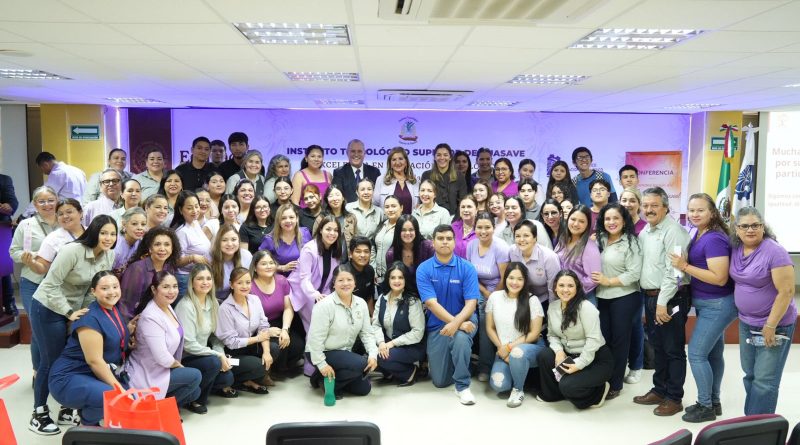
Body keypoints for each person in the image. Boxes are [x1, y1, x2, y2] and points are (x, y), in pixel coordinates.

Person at [29, 216, 117, 434]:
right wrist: (69, 313)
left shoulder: (109, 255)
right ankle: (38, 414)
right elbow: (50, 285)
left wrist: (85, 315)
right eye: (104, 233)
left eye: (113, 234)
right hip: (48, 307)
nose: (109, 238)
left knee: (74, 356)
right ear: (94, 232)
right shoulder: (72, 251)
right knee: (51, 360)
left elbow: (92, 289)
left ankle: (67, 409)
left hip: (75, 310)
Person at [667, 193, 736, 422]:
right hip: (708, 304)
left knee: (696, 354)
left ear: (712, 212)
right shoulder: (699, 232)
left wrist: (684, 266)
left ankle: (705, 406)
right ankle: (714, 402)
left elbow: (719, 278)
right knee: (713, 354)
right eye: (692, 210)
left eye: (700, 210)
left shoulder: (714, 238)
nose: (695, 214)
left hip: (718, 304)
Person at [728, 206, 796, 415]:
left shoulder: (775, 252)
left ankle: (759, 428)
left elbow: (787, 291)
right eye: (744, 226)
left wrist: (771, 325)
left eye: (755, 225)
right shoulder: (737, 248)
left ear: (763, 227)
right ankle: (752, 421)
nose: (750, 230)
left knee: (765, 381)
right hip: (747, 322)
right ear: (737, 229)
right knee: (750, 374)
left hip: (774, 325)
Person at [633, 186, 690, 417]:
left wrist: (662, 303)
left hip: (670, 298)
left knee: (673, 348)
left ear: (666, 207)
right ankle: (659, 390)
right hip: (650, 297)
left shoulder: (674, 232)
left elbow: (676, 273)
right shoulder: (646, 231)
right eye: (645, 205)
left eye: (654, 205)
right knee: (658, 347)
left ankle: (674, 398)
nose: (649, 210)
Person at [48, 271, 131, 427]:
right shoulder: (90, 318)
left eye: (115, 286)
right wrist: (118, 389)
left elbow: (112, 337)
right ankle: (87, 426)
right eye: (105, 288)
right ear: (93, 291)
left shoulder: (112, 309)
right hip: (68, 377)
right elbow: (95, 361)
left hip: (91, 375)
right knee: (114, 396)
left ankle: (91, 419)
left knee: (131, 395)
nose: (112, 292)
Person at [416, 224, 480, 405]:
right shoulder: (424, 269)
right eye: (440, 238)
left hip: (466, 320)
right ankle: (465, 362)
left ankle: (462, 386)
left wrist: (457, 324)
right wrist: (455, 323)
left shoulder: (467, 267)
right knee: (440, 381)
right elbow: (431, 303)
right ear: (433, 242)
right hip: (438, 324)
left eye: (449, 239)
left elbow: (471, 304)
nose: (445, 242)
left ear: (454, 242)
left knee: (460, 339)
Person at [536, 270, 613, 409]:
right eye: (561, 285)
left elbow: (594, 340)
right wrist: (559, 351)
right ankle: (555, 394)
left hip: (595, 358)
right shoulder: (553, 307)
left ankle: (599, 392)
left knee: (568, 386)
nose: (565, 290)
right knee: (545, 355)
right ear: (555, 288)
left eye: (570, 286)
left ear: (577, 288)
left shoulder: (586, 307)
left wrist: (579, 364)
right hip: (570, 355)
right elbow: (552, 335)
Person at [127, 271, 202, 409]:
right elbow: (162, 357)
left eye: (175, 286)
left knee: (195, 392)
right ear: (154, 289)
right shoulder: (150, 316)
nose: (172, 291)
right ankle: (155, 408)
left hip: (164, 368)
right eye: (166, 287)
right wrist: (179, 366)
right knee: (195, 376)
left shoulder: (167, 306)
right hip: (150, 372)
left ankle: (161, 404)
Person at [592, 203, 643, 402]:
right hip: (602, 296)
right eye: (607, 218)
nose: (611, 222)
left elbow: (634, 273)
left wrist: (609, 281)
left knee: (620, 341)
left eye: (616, 218)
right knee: (604, 340)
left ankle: (615, 384)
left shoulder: (631, 242)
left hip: (625, 296)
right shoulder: (599, 239)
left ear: (624, 221)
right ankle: (604, 378)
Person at [306, 264, 378, 399]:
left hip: (344, 352)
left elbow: (367, 333)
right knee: (361, 364)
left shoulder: (361, 303)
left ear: (355, 282)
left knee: (364, 389)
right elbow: (315, 339)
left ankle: (322, 378)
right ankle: (325, 381)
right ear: (334, 284)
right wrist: (321, 364)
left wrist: (373, 354)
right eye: (340, 280)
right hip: (322, 351)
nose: (345, 283)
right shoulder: (324, 305)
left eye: (349, 279)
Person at [175, 264, 236, 412]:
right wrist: (217, 356)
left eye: (208, 278)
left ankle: (199, 385)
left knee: (227, 378)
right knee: (214, 363)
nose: (205, 282)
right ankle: (195, 399)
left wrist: (221, 353)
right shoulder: (186, 306)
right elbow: (188, 345)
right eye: (200, 279)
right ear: (192, 282)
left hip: (203, 355)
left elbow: (216, 337)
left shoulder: (213, 302)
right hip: (185, 358)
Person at [10, 186, 58, 371]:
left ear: (57, 201)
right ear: (35, 204)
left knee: (58, 328)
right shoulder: (26, 225)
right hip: (33, 282)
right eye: (41, 201)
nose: (47, 204)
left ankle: (58, 371)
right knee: (38, 330)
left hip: (60, 283)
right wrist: (29, 257)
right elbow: (13, 252)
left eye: (50, 200)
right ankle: (38, 371)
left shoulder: (65, 221)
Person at [287, 215, 343, 373]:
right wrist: (315, 295)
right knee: (314, 329)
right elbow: (304, 279)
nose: (332, 233)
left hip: (322, 293)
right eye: (328, 229)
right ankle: (310, 368)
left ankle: (324, 363)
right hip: (303, 293)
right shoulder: (309, 249)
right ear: (320, 230)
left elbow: (330, 279)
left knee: (327, 327)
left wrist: (328, 297)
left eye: (335, 230)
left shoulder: (336, 249)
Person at [486, 262, 546, 407]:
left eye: (520, 279)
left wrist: (509, 348)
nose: (514, 282)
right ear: (505, 278)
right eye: (511, 278)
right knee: (499, 385)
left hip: (529, 348)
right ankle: (518, 373)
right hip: (503, 350)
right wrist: (501, 348)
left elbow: (534, 333)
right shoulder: (495, 297)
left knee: (517, 353)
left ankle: (518, 390)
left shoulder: (532, 300)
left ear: (525, 281)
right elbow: (490, 328)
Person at [466, 212, 510, 383]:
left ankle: (485, 366)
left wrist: (489, 296)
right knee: (467, 317)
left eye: (487, 227)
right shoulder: (471, 245)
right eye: (479, 227)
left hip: (497, 291)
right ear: (474, 228)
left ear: (494, 227)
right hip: (477, 289)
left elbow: (504, 278)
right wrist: (483, 293)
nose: (483, 231)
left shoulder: (500, 247)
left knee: (485, 323)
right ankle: (468, 361)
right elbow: (470, 274)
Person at [215, 267, 272, 394]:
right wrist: (258, 338)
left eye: (248, 282)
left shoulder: (255, 300)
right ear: (231, 285)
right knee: (259, 365)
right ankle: (240, 380)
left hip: (250, 346)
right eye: (239, 282)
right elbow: (231, 342)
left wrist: (266, 352)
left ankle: (248, 378)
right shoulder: (225, 308)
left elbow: (263, 326)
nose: (244, 286)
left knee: (273, 349)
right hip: (233, 352)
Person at [249, 251, 304, 374]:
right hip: (257, 326)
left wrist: (285, 329)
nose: (268, 266)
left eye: (271, 263)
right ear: (255, 268)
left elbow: (288, 308)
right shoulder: (250, 286)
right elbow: (248, 318)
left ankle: (283, 368)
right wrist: (267, 331)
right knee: (277, 346)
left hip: (279, 321)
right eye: (264, 264)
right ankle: (269, 371)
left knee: (298, 345)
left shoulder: (281, 280)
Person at [372, 262, 425, 386]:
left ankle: (410, 372)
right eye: (393, 277)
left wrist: (391, 344)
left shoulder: (412, 301)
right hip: (388, 343)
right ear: (388, 279)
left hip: (412, 346)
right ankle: (390, 372)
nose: (396, 281)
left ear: (405, 280)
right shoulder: (382, 298)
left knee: (380, 357)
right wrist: (381, 343)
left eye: (400, 277)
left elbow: (417, 332)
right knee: (370, 352)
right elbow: (376, 324)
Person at [120, 227, 181, 320]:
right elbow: (125, 304)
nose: (162, 249)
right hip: (138, 320)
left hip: (159, 317)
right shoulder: (137, 269)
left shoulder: (169, 268)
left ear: (172, 248)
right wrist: (129, 325)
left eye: (167, 244)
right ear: (150, 248)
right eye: (157, 244)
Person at [509, 220, 561, 313]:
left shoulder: (549, 257)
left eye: (526, 235)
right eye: (517, 236)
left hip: (543, 299)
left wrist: (552, 310)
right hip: (521, 298)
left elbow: (553, 288)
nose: (521, 240)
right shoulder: (512, 251)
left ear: (535, 238)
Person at [555, 205, 601, 306]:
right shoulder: (563, 239)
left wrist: (572, 289)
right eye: (573, 219)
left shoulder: (590, 247)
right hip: (563, 295)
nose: (576, 224)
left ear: (587, 224)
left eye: (581, 221)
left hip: (583, 298)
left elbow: (594, 279)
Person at [28, 198, 85, 277]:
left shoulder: (93, 232)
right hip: (64, 283)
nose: (65, 216)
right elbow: (43, 268)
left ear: (81, 213)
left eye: (69, 212)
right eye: (60, 214)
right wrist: (32, 263)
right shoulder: (53, 238)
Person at [172, 191, 212, 298]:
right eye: (189, 208)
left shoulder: (195, 223)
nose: (195, 211)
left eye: (196, 206)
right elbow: (175, 262)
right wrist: (192, 257)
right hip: (185, 279)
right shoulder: (182, 232)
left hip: (198, 276)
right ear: (180, 210)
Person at [24, 152, 86, 216]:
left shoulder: (57, 174)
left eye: (41, 169)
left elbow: (43, 195)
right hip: (81, 211)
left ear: (45, 165)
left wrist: (25, 214)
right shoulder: (78, 170)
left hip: (67, 213)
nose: (43, 172)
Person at [259, 203, 312, 276]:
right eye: (283, 218)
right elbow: (260, 263)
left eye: (291, 217)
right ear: (278, 220)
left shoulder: (305, 233)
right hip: (281, 279)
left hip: (303, 278)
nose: (288, 221)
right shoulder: (269, 240)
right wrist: (282, 268)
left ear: (297, 218)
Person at [421, 143, 467, 216]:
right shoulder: (426, 175)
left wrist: (456, 219)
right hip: (431, 217)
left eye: (445, 155)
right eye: (439, 155)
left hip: (453, 217)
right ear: (435, 157)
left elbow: (463, 201)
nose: (442, 158)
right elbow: (422, 199)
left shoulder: (459, 176)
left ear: (450, 157)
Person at [211, 224, 253, 300]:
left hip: (240, 299)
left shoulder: (246, 256)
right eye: (224, 240)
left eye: (233, 239)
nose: (230, 244)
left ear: (239, 241)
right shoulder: (209, 258)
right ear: (218, 242)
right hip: (216, 301)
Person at [332, 139, 381, 203]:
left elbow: (378, 197)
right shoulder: (339, 173)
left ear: (364, 153)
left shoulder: (374, 172)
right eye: (353, 151)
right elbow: (337, 197)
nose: (356, 154)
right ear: (347, 153)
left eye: (359, 151)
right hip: (347, 209)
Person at [374, 147, 419, 215]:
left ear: (406, 162)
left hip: (410, 221)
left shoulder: (415, 182)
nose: (397, 162)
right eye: (394, 160)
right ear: (390, 164)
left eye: (400, 159)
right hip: (387, 221)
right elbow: (375, 205)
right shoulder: (380, 180)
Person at [315, 184, 357, 258]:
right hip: (326, 259)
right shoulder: (321, 218)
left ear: (343, 197)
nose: (334, 198)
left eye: (337, 195)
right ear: (327, 200)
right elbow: (315, 241)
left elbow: (355, 239)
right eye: (331, 196)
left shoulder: (351, 218)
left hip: (347, 261)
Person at [372, 196, 402, 288]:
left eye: (393, 206)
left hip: (396, 277)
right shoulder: (382, 225)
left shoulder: (404, 227)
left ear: (401, 208)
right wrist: (373, 269)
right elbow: (373, 247)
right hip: (379, 277)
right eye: (387, 207)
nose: (390, 209)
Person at [0, 173, 18, 315]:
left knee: (3, 267)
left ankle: (8, 302)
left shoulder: (4, 179)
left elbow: (13, 202)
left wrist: (9, 206)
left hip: (1, 227)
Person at [348, 236, 377, 314]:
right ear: (350, 254)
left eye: (366, 251)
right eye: (358, 251)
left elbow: (369, 297)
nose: (363, 255)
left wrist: (372, 316)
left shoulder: (370, 270)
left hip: (363, 313)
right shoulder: (344, 273)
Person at [112, 207, 146, 272]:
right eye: (134, 224)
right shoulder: (115, 245)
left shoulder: (141, 244)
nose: (140, 228)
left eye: (143, 224)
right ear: (124, 224)